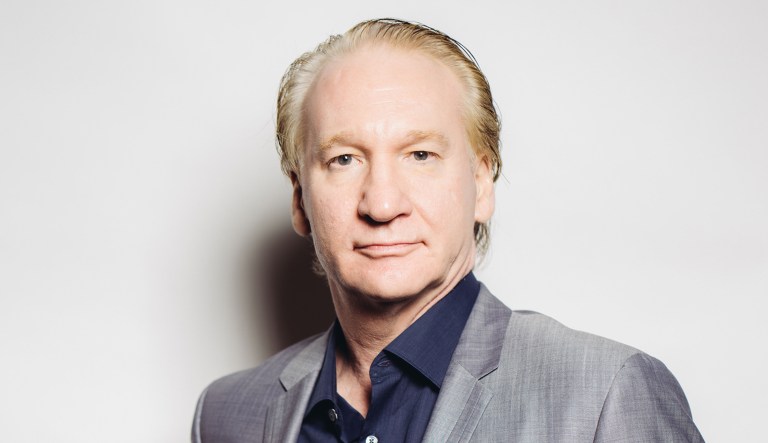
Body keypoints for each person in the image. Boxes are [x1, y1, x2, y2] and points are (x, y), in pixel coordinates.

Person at [192, 19, 704, 442]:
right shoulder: (226, 414)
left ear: (481, 185)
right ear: (300, 198)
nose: (383, 203)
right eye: (344, 159)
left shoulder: (604, 397)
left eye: (420, 155)